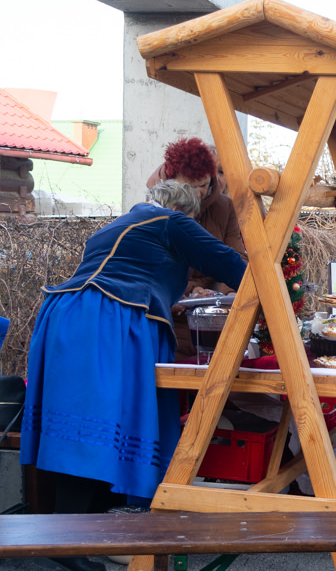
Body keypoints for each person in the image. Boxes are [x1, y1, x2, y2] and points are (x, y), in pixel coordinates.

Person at [20, 180, 246, 571]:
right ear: (186, 211)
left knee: (78, 426)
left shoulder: (116, 226)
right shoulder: (172, 223)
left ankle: (71, 539)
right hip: (106, 320)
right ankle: (63, 543)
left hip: (64, 318)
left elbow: (133, 273)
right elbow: (226, 262)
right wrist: (280, 292)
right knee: (93, 428)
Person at [147, 137, 246, 360]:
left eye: (203, 185)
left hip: (213, 317)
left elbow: (234, 258)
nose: (198, 193)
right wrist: (191, 290)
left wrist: (227, 295)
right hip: (170, 317)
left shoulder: (224, 207)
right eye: (190, 187)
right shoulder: (155, 209)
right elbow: (154, 271)